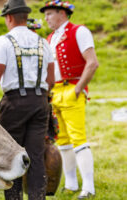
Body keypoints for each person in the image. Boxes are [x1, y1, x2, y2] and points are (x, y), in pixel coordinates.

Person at [0, 0, 55, 199]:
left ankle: (14, 198)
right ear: (25, 17)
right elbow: (52, 80)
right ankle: (37, 197)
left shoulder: (3, 41)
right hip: (40, 102)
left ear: (10, 17)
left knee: (12, 157)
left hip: (15, 103)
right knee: (36, 155)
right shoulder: (43, 42)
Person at [39, 1, 99, 199]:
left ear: (61, 13)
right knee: (63, 140)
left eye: (49, 14)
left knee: (78, 138)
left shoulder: (79, 31)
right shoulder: (50, 37)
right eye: (45, 15)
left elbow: (92, 63)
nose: (46, 18)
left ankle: (88, 187)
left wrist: (78, 88)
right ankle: (71, 183)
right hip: (55, 91)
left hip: (71, 88)